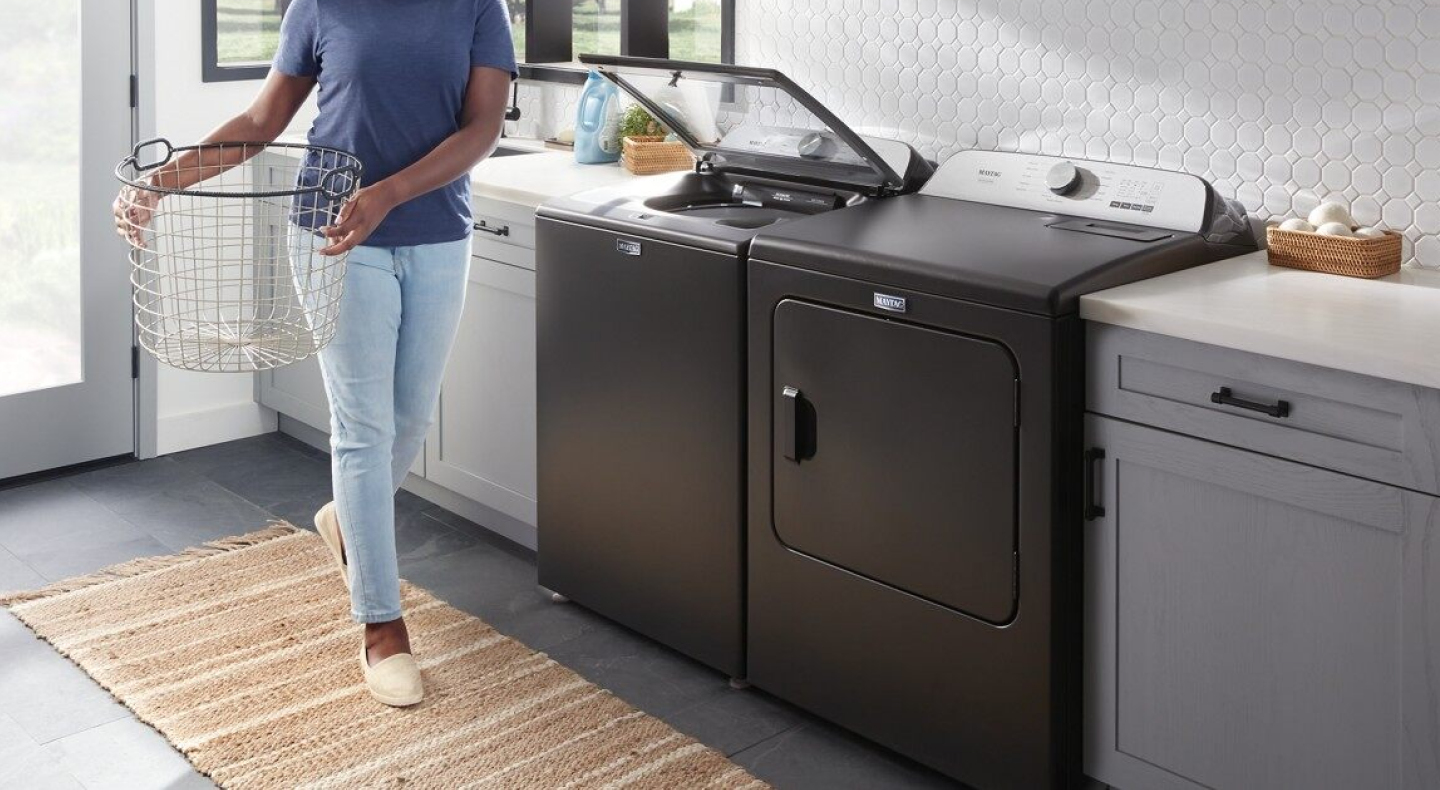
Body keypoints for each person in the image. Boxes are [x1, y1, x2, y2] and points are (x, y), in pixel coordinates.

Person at [113, 0, 517, 707]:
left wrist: (388, 195)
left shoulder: (479, 6)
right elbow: (260, 124)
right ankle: (382, 625)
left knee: (410, 422)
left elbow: (482, 127)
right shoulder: (319, 6)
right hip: (331, 235)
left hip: (438, 234)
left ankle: (343, 519)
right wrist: (160, 181)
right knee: (364, 429)